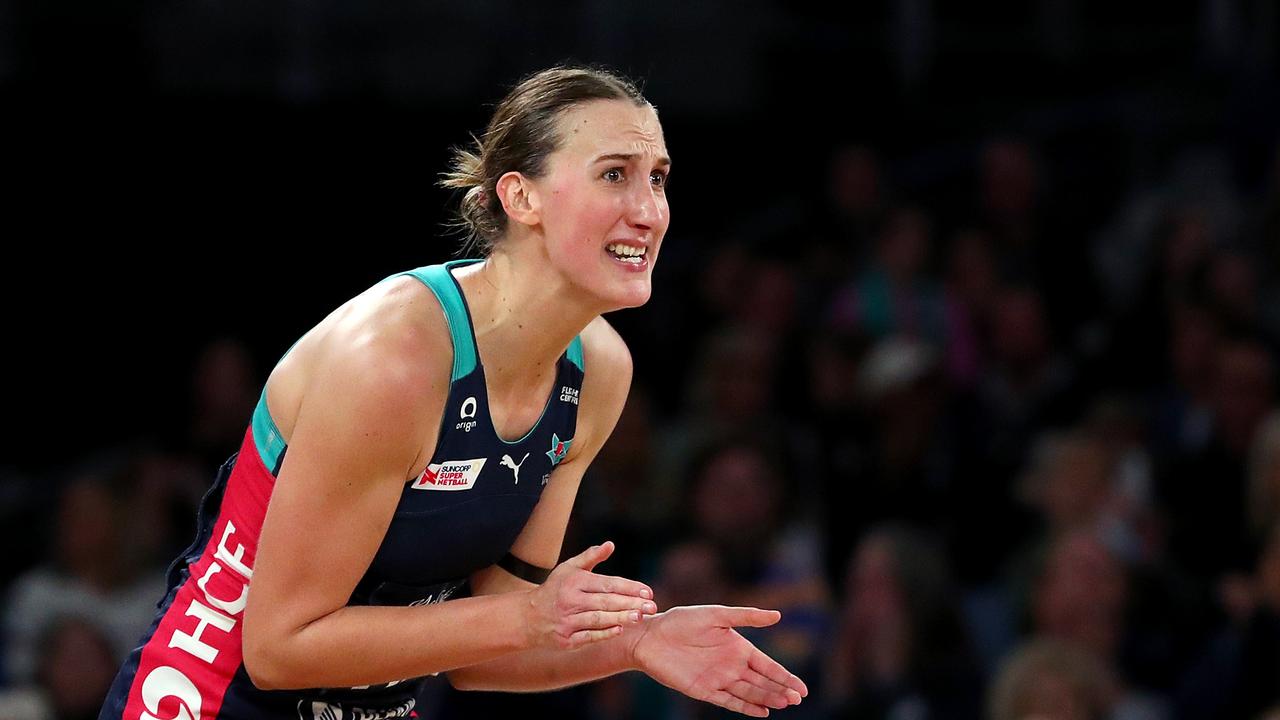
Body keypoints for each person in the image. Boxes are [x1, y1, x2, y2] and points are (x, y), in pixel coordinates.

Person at [97, 65, 808, 720]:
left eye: (657, 178)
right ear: (520, 195)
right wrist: (528, 619)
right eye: (615, 174)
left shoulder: (598, 371)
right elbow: (280, 648)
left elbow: (484, 650)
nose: (649, 210)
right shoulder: (394, 360)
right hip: (209, 697)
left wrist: (635, 645)